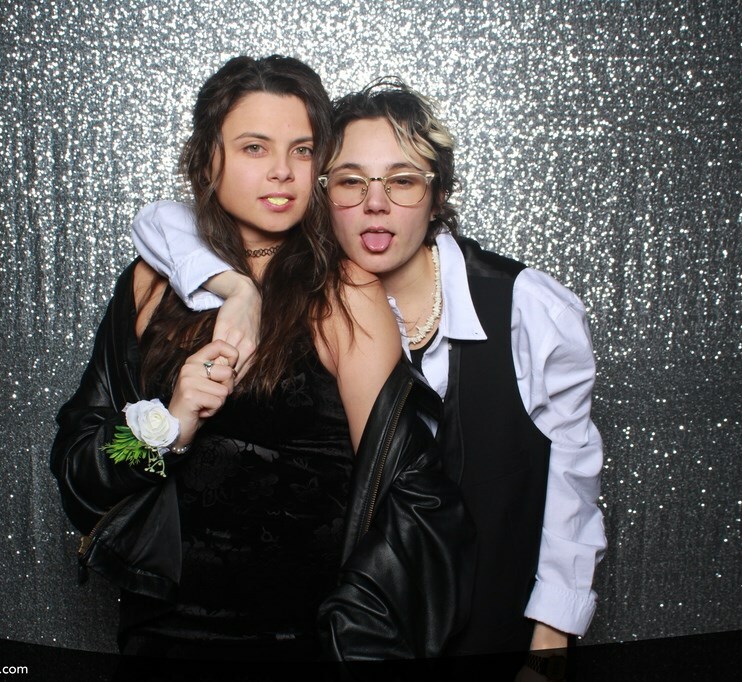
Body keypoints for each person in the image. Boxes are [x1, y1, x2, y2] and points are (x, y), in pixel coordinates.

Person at [131, 79, 606, 675]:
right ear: (321, 193)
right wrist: (234, 291)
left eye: (402, 181)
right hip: (349, 635)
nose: (375, 203)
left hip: (492, 634)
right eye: (351, 181)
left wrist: (549, 649)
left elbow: (571, 489)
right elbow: (167, 219)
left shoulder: (527, 308)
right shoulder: (308, 297)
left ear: (437, 195)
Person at [50, 60, 473, 662]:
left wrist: (356, 641)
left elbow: (406, 496)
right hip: (157, 637)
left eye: (302, 150)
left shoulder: (343, 294)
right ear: (208, 159)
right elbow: (79, 471)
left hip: (300, 644)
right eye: (255, 147)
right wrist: (167, 426)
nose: (282, 171)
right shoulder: (150, 285)